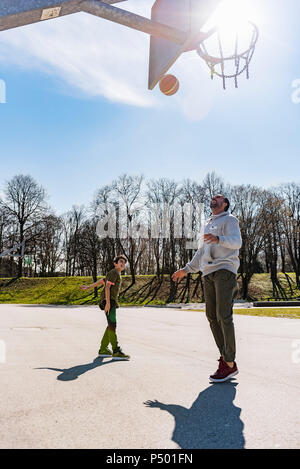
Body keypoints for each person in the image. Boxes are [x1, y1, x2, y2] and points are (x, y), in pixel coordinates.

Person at [172, 194, 242, 383]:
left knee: (223, 315)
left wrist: (218, 239)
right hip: (208, 273)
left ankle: (228, 362)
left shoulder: (230, 219)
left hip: (224, 269)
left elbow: (237, 242)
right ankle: (227, 360)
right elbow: (201, 251)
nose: (213, 199)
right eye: (212, 198)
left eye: (218, 198)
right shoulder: (207, 224)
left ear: (225, 203)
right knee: (211, 316)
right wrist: (186, 270)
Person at [80, 255, 130, 360]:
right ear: (115, 263)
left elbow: (102, 281)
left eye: (124, 262)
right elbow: (107, 288)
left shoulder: (115, 274)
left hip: (110, 301)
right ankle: (116, 351)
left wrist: (88, 287)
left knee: (110, 324)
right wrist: (107, 303)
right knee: (112, 324)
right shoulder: (113, 272)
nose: (123, 264)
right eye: (120, 261)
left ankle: (103, 349)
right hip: (109, 301)